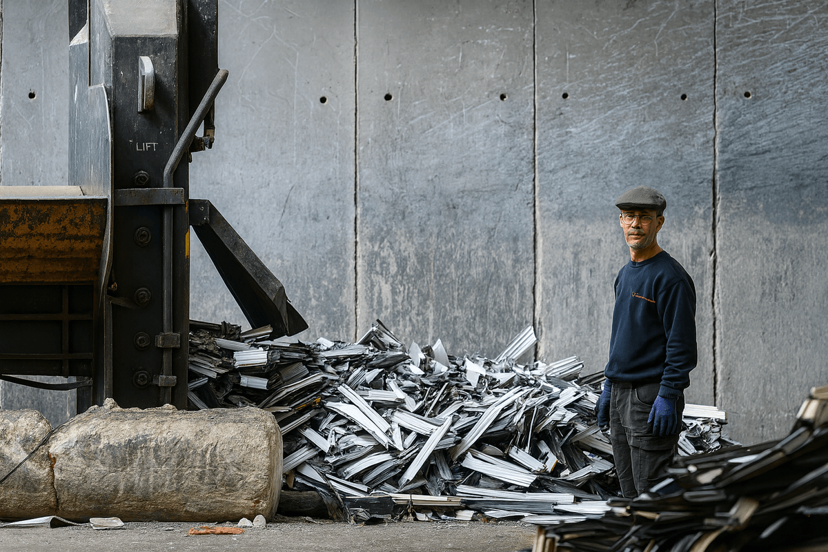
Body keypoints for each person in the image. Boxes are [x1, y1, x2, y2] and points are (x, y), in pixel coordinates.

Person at [595, 185, 697, 498]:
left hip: (649, 400)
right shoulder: (625, 274)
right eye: (628, 217)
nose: (635, 224)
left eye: (644, 217)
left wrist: (668, 394)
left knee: (652, 494)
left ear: (659, 223)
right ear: (620, 222)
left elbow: (681, 346)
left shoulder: (670, 278)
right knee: (629, 492)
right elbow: (621, 337)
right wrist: (609, 387)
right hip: (620, 397)